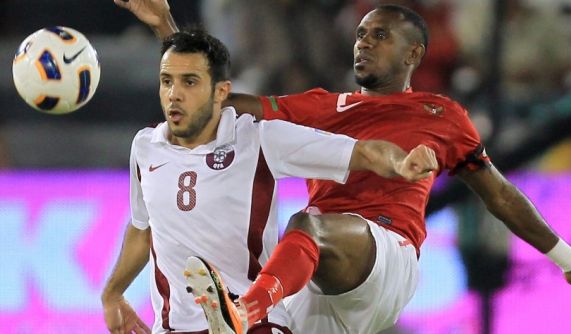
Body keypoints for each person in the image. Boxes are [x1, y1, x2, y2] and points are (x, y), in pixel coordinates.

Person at [104, 0, 571, 333]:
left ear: (413, 53)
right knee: (303, 244)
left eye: (380, 36)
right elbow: (213, 99)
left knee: (306, 223)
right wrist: (167, 30)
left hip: (384, 258)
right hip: (311, 279)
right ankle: (250, 315)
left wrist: (568, 260)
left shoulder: (441, 116)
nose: (363, 43)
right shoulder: (321, 106)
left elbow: (501, 196)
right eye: (360, 33)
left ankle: (244, 311)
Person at [100, 28, 437, 334]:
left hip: (256, 327)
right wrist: (113, 293)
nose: (174, 94)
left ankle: (241, 311)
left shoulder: (258, 139)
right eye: (166, 81)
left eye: (189, 82)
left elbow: (362, 153)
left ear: (221, 93)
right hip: (173, 327)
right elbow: (143, 230)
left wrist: (402, 162)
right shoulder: (145, 147)